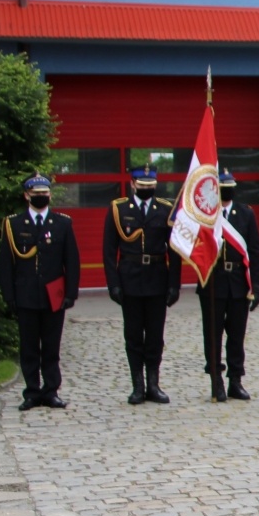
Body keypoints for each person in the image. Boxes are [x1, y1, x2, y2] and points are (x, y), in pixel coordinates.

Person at [0, 175, 79, 411]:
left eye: (44, 192)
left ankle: (51, 390)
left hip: (54, 295)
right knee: (29, 347)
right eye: (35, 193)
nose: (40, 196)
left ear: (50, 194)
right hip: (26, 296)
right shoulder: (13, 225)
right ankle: (32, 392)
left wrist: (70, 293)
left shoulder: (62, 223)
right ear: (26, 195)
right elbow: (6, 264)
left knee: (51, 347)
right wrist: (9, 295)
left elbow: (71, 261)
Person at [103, 165, 180, 405]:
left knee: (155, 336)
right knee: (134, 335)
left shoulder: (165, 209)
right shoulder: (119, 209)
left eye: (151, 185)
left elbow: (175, 250)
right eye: (142, 185)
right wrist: (113, 284)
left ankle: (154, 385)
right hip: (131, 279)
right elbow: (109, 250)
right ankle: (137, 385)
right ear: (133, 184)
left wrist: (174, 284)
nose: (147, 188)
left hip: (157, 278)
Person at [198, 171, 259, 402]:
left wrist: (255, 285)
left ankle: (236, 380)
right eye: (223, 186)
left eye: (231, 186)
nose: (228, 190)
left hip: (238, 282)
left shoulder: (245, 214)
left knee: (236, 336)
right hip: (213, 283)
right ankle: (216, 379)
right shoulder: (206, 215)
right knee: (213, 335)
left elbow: (254, 251)